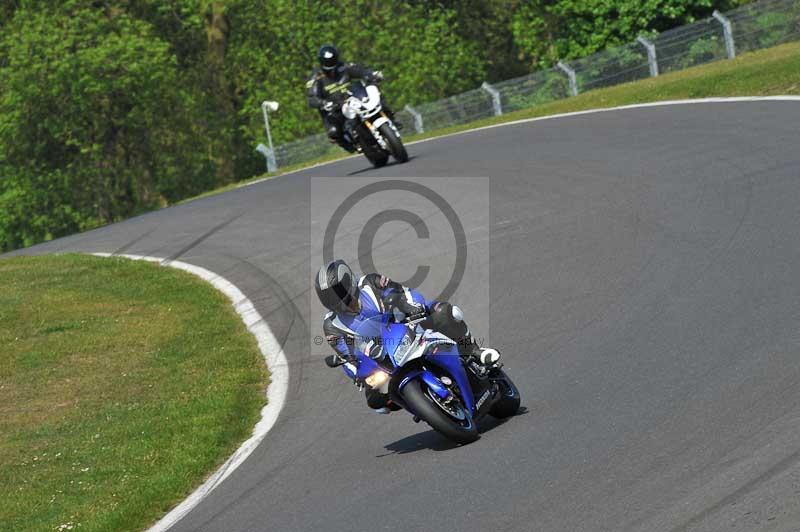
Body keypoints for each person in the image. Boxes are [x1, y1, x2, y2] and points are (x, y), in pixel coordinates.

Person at [315, 259, 500, 413]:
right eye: (329, 299)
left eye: (338, 293)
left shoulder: (370, 283)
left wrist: (414, 306)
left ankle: (475, 351)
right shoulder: (331, 325)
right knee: (375, 399)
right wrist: (359, 376)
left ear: (349, 282)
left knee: (445, 312)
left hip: (407, 323)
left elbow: (402, 292)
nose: (337, 302)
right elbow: (346, 357)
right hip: (381, 356)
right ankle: (422, 405)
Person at [305, 44, 397, 153]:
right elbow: (311, 98)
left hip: (353, 98)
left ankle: (390, 118)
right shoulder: (316, 77)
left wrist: (372, 74)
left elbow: (360, 70)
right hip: (334, 108)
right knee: (334, 131)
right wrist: (323, 103)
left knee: (376, 95)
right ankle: (349, 145)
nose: (332, 71)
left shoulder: (343, 66)